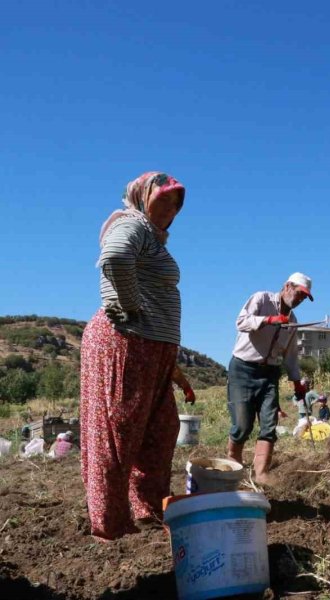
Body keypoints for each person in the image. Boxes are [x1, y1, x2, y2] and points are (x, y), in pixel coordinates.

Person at [80, 172, 189, 541]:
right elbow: (114, 257)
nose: (171, 207)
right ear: (143, 196)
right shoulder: (131, 224)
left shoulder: (154, 239)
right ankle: (109, 527)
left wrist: (172, 370)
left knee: (161, 430)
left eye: (177, 202)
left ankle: (145, 510)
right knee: (118, 436)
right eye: (165, 197)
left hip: (150, 350)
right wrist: (128, 305)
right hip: (126, 342)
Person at [228, 273, 313, 484]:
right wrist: (268, 320)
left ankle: (262, 476)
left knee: (268, 424)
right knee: (242, 425)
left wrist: (297, 384)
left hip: (270, 374)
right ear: (287, 286)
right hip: (243, 369)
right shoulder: (261, 299)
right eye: (300, 294)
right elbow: (241, 321)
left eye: (305, 297)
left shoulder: (293, 322)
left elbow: (291, 356)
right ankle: (232, 470)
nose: (300, 299)